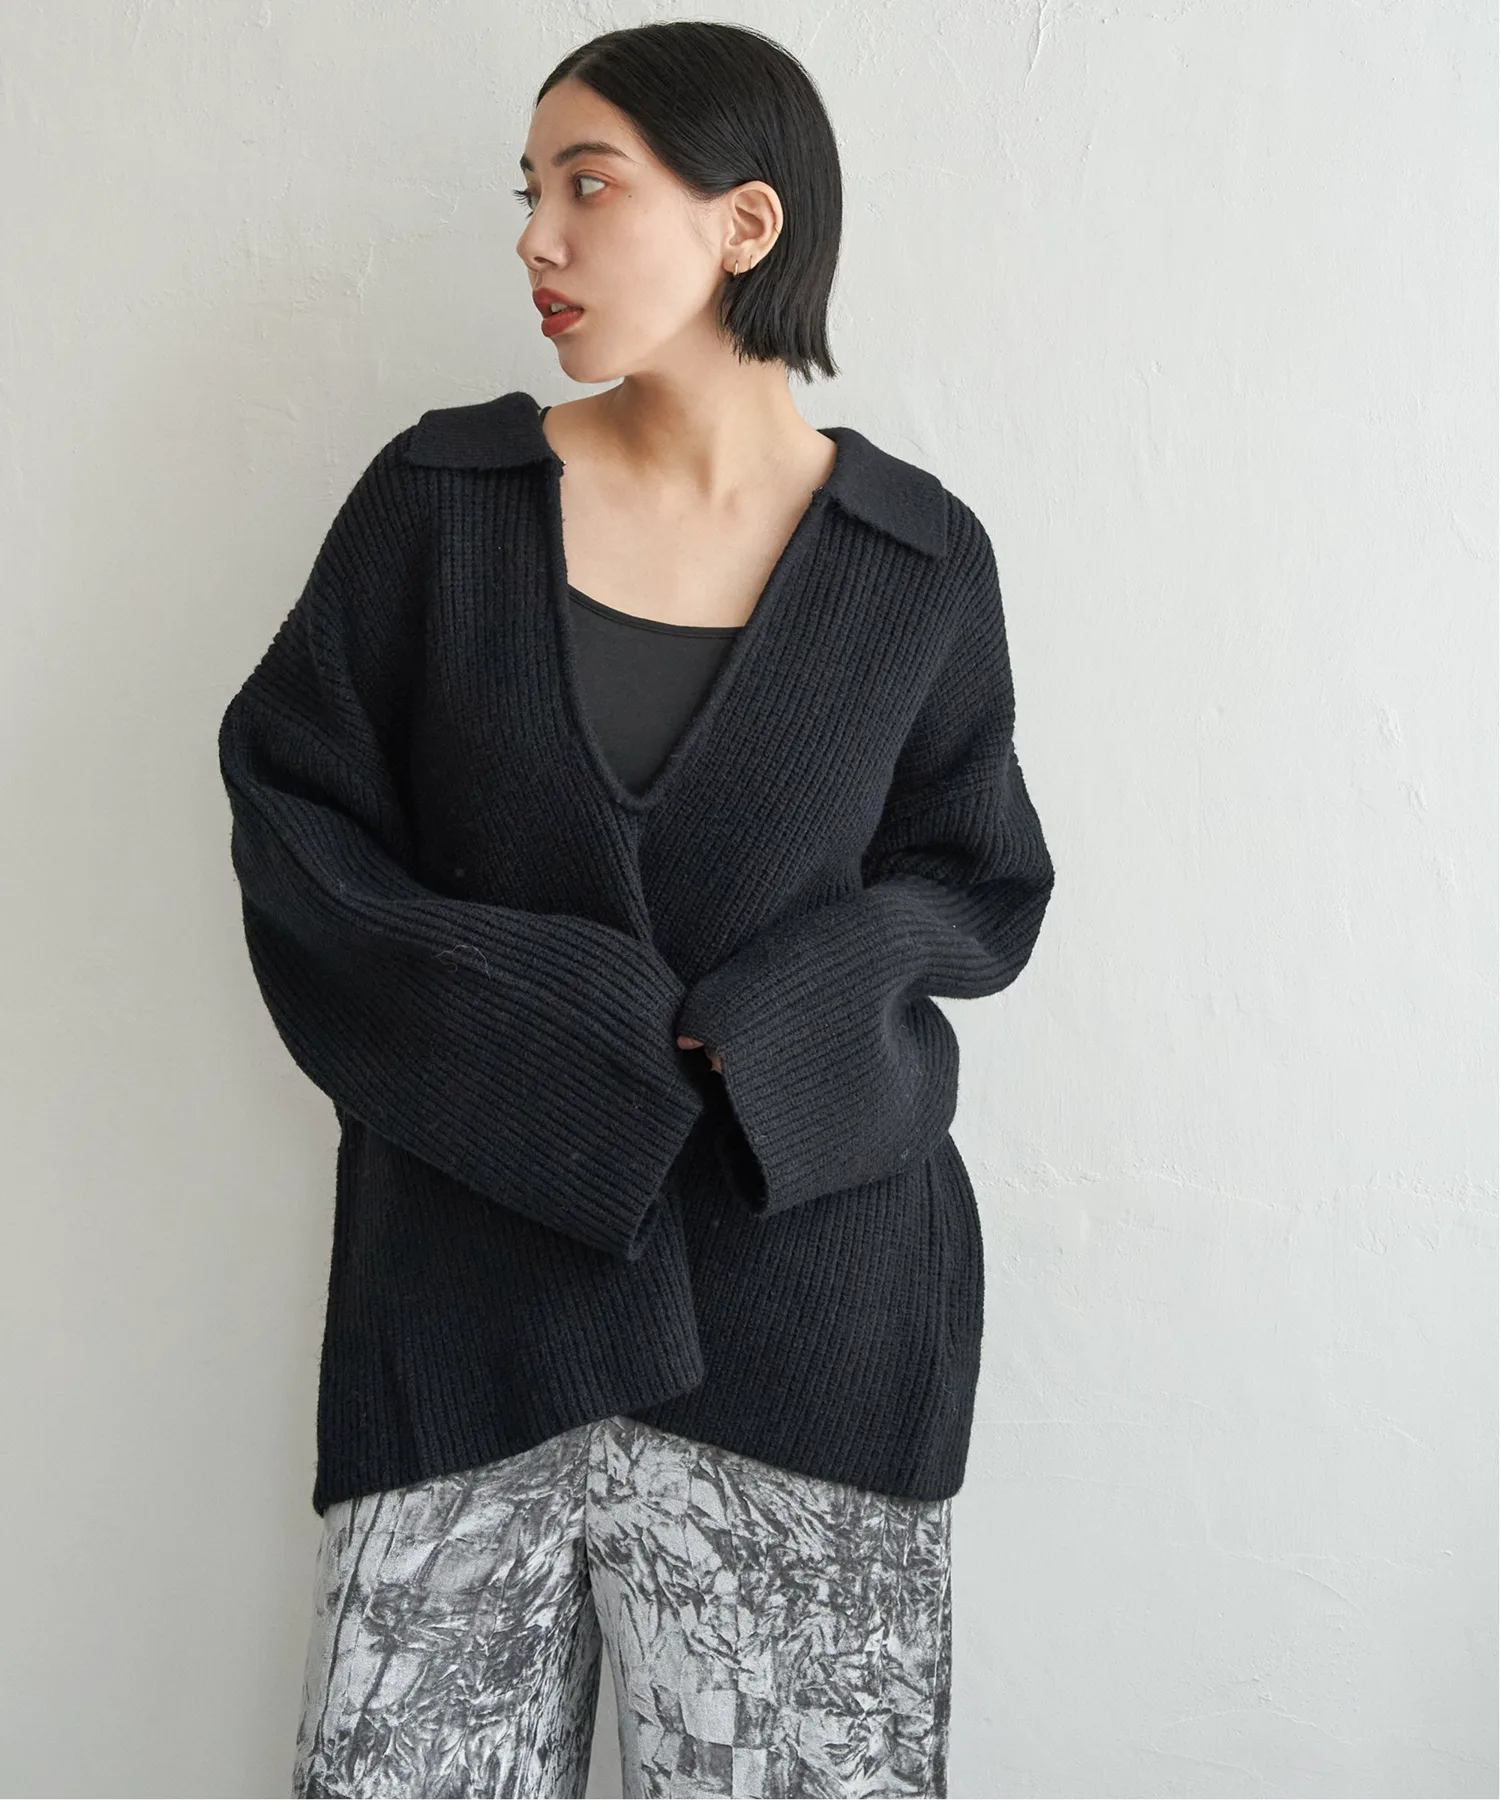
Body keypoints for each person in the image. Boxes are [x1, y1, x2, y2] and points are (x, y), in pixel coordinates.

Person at [218, 21, 1055, 1799]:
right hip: (466, 1332)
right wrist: (556, 1034)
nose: (538, 236)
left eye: (588, 185)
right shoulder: (439, 506)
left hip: (812, 1334)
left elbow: (975, 882)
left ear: (746, 223)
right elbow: (297, 830)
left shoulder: (918, 565)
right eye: (529, 191)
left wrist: (777, 1027)